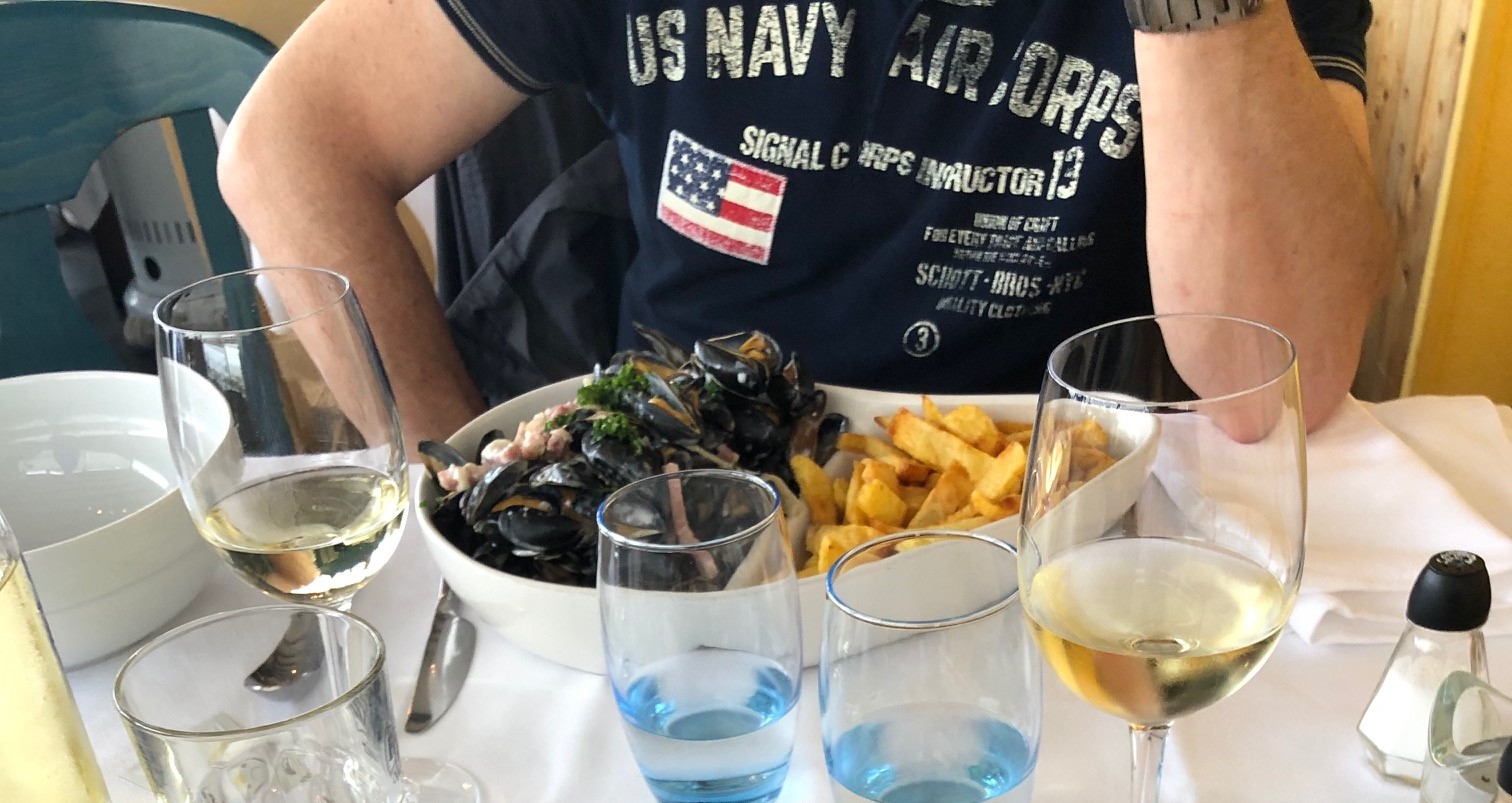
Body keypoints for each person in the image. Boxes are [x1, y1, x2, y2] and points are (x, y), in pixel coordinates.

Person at [219, 0, 1391, 446]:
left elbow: (1267, 380)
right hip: (673, 530)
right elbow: (289, 149)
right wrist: (451, 473)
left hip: (1037, 548)